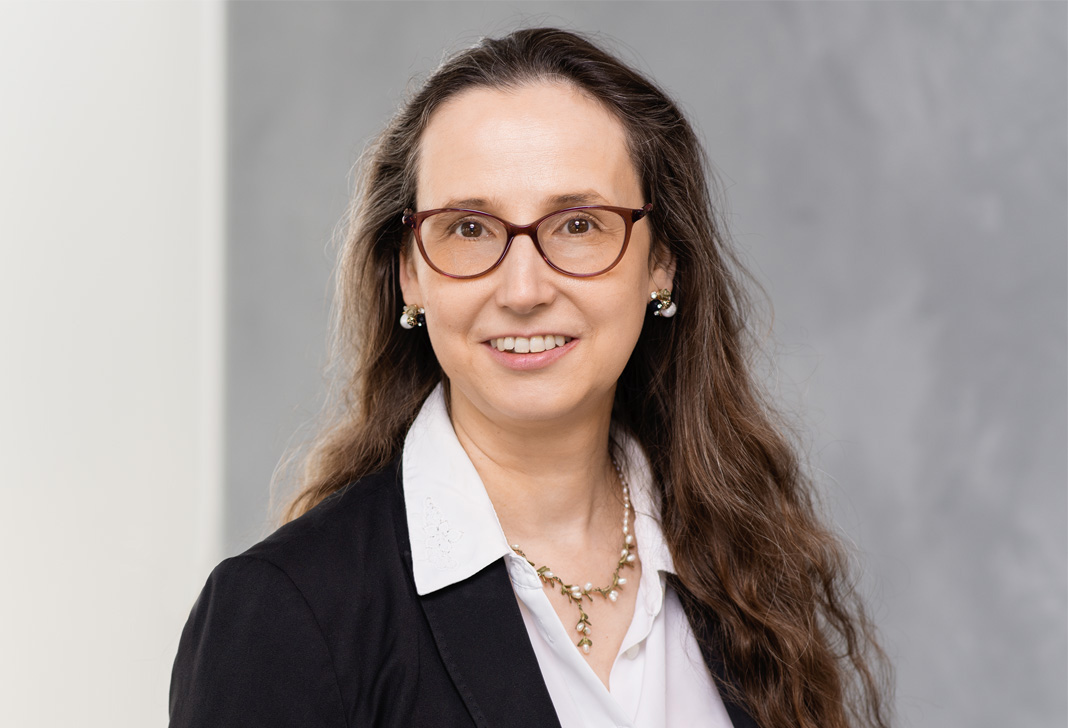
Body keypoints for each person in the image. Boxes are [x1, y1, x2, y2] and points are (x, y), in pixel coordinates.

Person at [170, 27, 892, 728]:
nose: (523, 289)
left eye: (578, 225)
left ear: (662, 263)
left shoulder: (748, 570)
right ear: (410, 273)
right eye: (469, 228)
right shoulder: (285, 613)